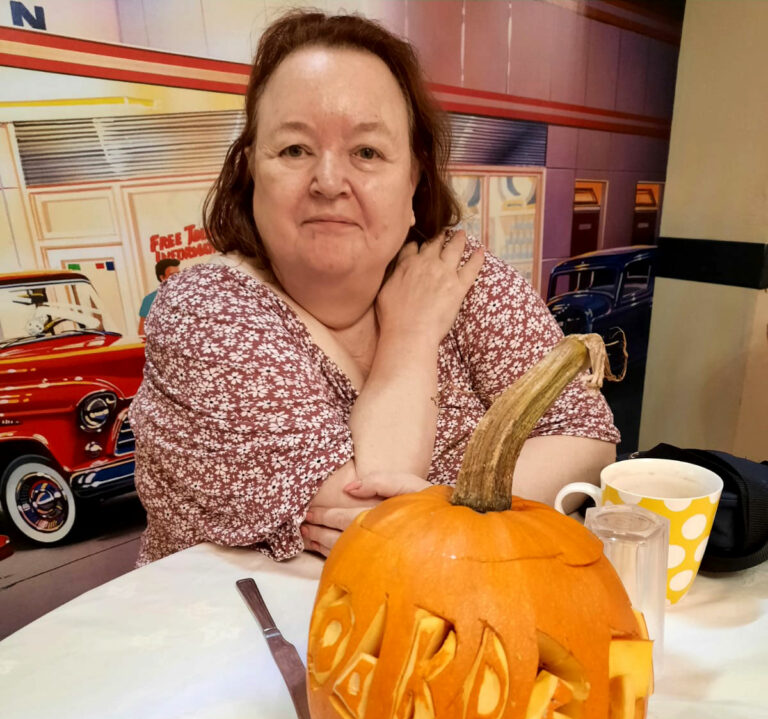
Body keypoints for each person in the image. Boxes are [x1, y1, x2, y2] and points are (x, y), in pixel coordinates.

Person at [130, 9, 618, 566]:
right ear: (249, 171)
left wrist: (436, 522)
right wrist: (411, 336)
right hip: (243, 619)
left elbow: (587, 435)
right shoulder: (206, 311)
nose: (328, 182)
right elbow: (374, 529)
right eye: (294, 149)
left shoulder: (457, 272)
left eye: (366, 152)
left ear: (413, 178)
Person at [137, 258, 180, 336]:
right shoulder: (149, 300)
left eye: (178, 274)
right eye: (172, 275)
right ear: (162, 277)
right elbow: (142, 332)